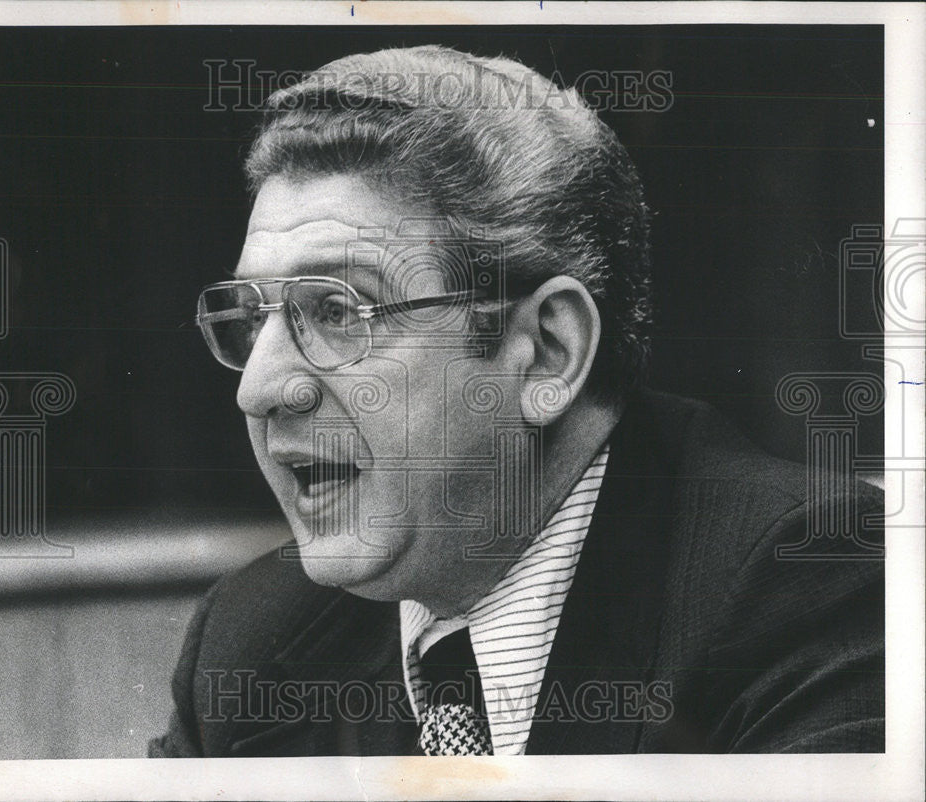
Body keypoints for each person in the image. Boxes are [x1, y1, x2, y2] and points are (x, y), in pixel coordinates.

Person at [149, 45, 884, 757]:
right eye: (254, 317)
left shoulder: (807, 584)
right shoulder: (248, 648)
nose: (261, 387)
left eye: (338, 311)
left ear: (547, 353)